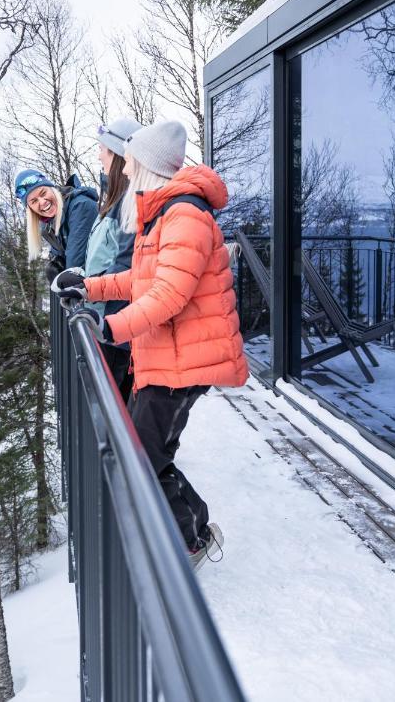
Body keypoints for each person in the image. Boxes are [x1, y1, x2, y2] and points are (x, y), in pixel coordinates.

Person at [51, 120, 249, 569]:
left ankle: (193, 540)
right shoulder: (161, 212)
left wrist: (112, 328)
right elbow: (139, 280)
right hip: (167, 355)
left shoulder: (185, 216)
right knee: (145, 450)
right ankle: (184, 528)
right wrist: (90, 289)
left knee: (143, 452)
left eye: (132, 158)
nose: (124, 165)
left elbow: (169, 295)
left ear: (147, 164)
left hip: (187, 360)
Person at [83, 117, 142, 401]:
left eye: (102, 150)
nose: (98, 156)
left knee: (114, 406)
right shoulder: (117, 199)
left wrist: (89, 288)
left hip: (120, 324)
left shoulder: (130, 202)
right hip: (111, 317)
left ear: (118, 154)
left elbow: (127, 262)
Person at [15, 169, 98, 280]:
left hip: (108, 286)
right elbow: (61, 256)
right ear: (30, 209)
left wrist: (63, 284)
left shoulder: (80, 206)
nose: (42, 202)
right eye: (34, 201)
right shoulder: (49, 225)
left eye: (43, 193)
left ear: (52, 189)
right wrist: (56, 264)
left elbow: (76, 267)